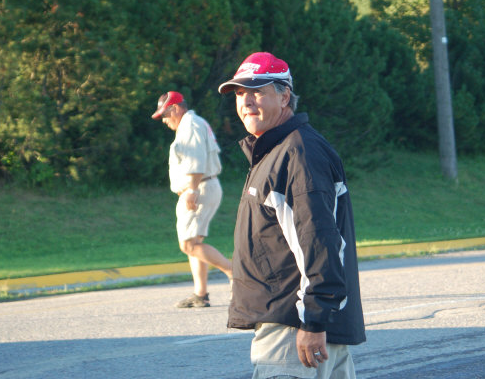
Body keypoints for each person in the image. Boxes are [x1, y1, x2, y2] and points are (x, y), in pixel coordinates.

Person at [218, 52, 366, 378]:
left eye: (257, 91)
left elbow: (318, 239)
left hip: (293, 328)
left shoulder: (297, 152)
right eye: (240, 93)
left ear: (284, 96)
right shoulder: (278, 150)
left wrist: (313, 320)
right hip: (307, 325)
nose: (246, 102)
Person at [152, 91, 232, 308]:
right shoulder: (193, 124)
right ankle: (200, 294)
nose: (164, 120)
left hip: (199, 187)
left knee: (188, 244)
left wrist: (193, 190)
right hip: (201, 186)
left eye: (165, 115)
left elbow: (196, 159)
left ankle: (234, 273)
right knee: (195, 243)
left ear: (176, 108)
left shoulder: (190, 125)